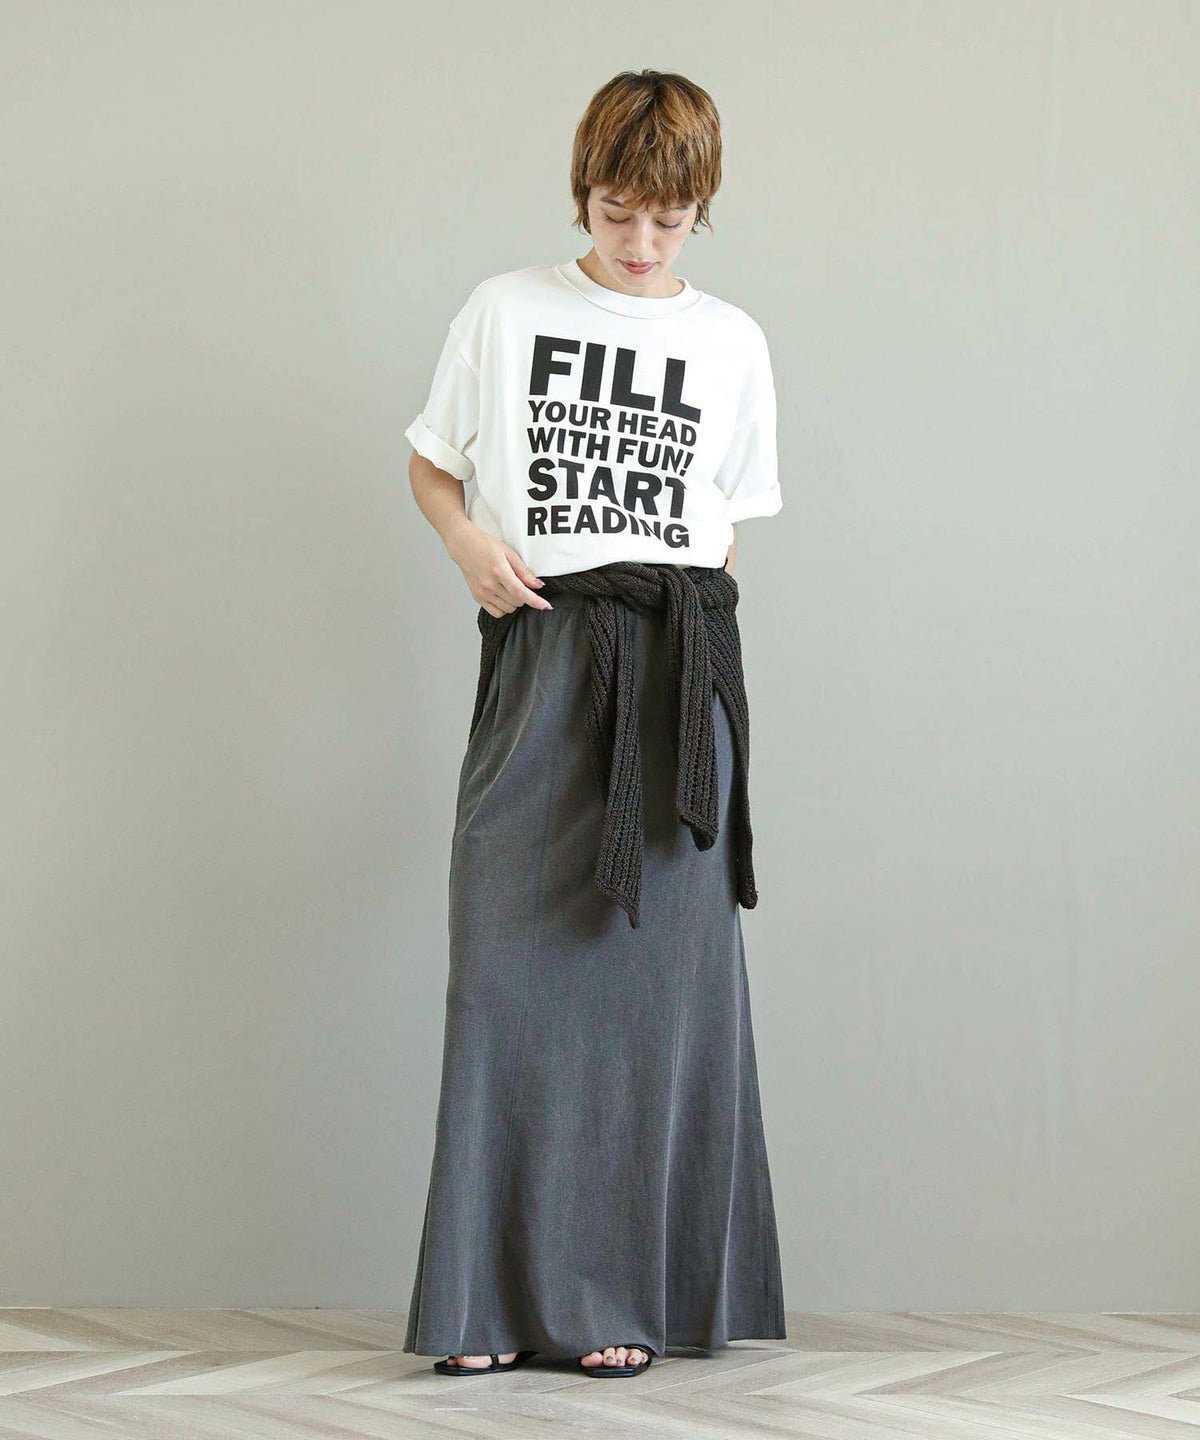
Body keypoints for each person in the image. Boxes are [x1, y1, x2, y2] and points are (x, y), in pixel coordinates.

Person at [402, 69, 786, 1379]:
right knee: (502, 976)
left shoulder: (732, 341)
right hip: (547, 649)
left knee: (649, 999)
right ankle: (481, 1310)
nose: (639, 242)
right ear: (585, 190)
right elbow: (432, 463)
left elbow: (727, 522)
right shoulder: (506, 310)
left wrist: (687, 631)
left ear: (700, 211)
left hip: (676, 673)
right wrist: (470, 548)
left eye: (668, 221)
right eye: (619, 211)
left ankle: (618, 1299)